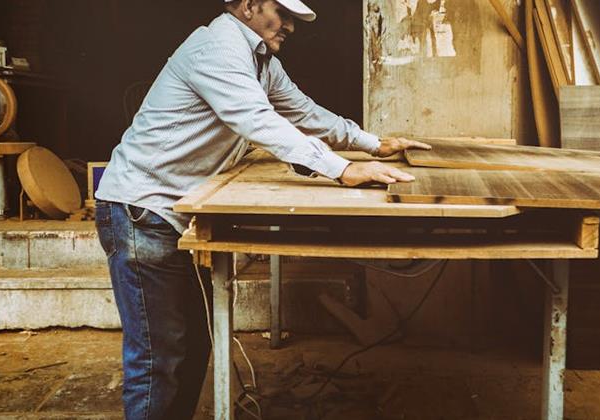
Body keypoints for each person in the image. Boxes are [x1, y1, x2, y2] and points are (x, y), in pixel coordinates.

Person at [94, 0, 431, 418]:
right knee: (157, 358)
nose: (289, 25)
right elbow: (259, 121)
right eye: (281, 13)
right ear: (249, 5)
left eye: (293, 18)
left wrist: (371, 143)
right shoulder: (216, 49)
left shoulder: (259, 60)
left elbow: (302, 111)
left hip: (173, 212)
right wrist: (341, 170)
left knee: (194, 345)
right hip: (141, 211)